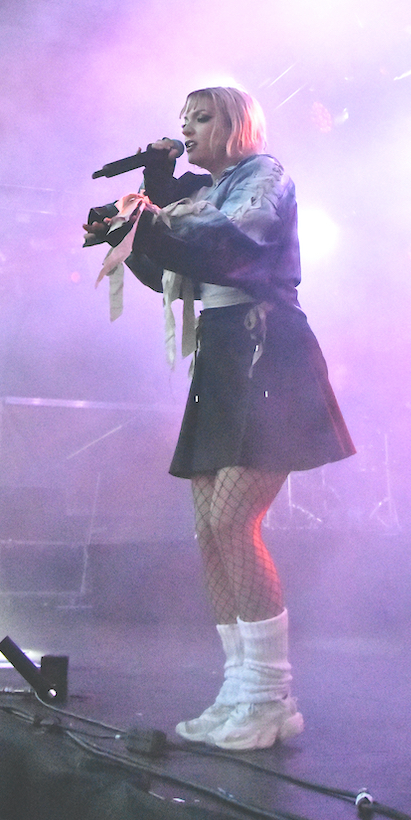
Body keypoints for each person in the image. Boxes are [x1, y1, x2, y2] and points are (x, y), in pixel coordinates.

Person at [84, 86, 354, 751]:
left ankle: (270, 696)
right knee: (209, 527)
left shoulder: (263, 176)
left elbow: (225, 241)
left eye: (201, 119)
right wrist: (127, 230)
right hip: (226, 349)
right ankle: (240, 688)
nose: (189, 130)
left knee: (235, 518)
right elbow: (174, 266)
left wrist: (146, 216)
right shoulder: (203, 192)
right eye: (183, 122)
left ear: (236, 124)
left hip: (268, 346)